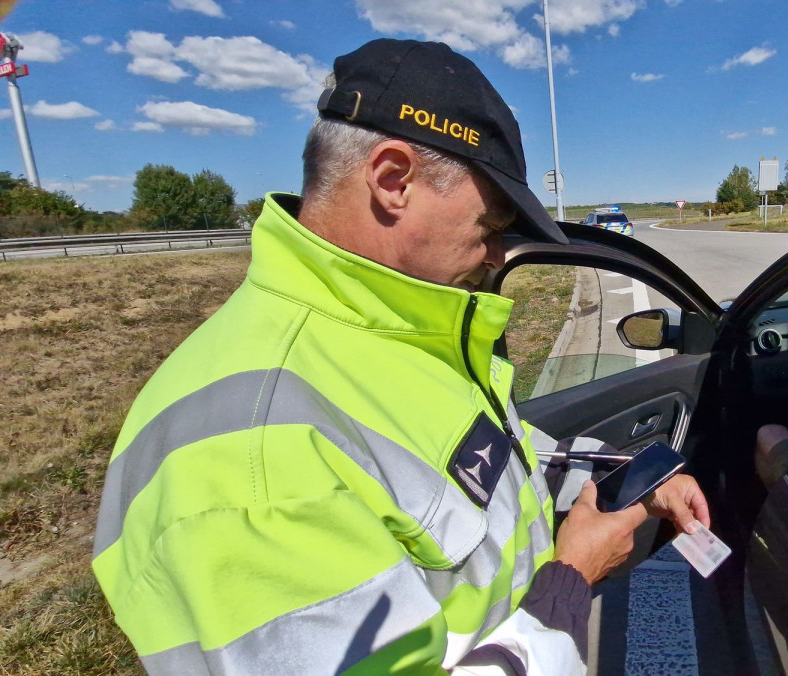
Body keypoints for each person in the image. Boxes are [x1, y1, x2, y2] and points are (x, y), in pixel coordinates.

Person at [91, 39, 709, 675]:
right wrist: (570, 581)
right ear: (392, 180)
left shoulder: (390, 340)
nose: (498, 257)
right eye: (491, 228)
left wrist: (628, 477)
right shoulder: (256, 459)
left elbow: (487, 477)